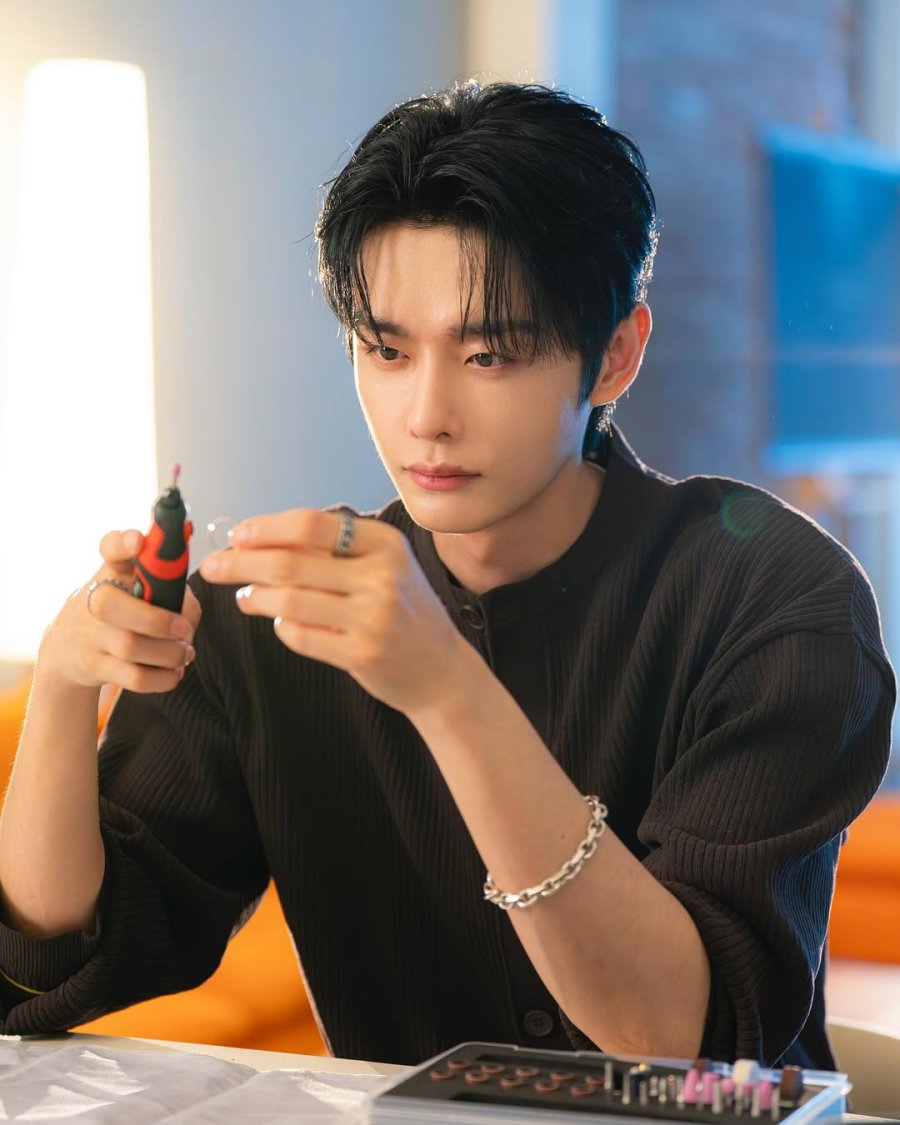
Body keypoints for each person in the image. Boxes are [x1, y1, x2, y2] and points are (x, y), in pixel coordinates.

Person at [0, 82, 893, 1070]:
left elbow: (693, 1041)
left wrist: (448, 690)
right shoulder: (263, 617)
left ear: (614, 356)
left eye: (488, 355)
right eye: (385, 350)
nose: (426, 415)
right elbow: (49, 971)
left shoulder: (776, 599)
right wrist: (63, 687)